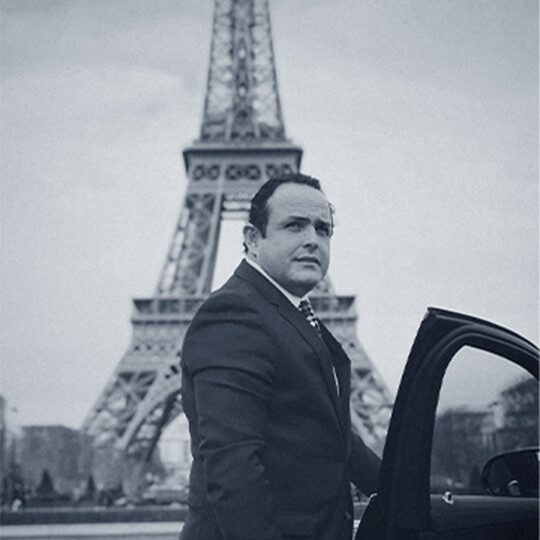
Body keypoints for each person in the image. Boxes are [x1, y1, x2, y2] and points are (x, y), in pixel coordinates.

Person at [180, 173, 381, 540]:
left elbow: (334, 438)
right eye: (294, 226)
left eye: (323, 229)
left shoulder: (288, 315)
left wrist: (410, 496)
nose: (312, 239)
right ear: (252, 239)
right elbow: (234, 470)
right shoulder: (234, 314)